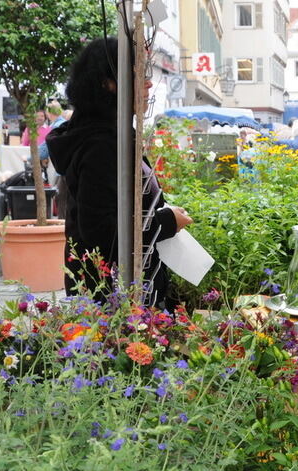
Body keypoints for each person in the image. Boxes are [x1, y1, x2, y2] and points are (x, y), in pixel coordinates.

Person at [46, 37, 193, 306]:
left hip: (122, 289)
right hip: (112, 300)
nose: (149, 83)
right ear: (108, 84)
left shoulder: (111, 133)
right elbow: (104, 235)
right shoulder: (101, 145)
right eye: (139, 74)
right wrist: (167, 222)